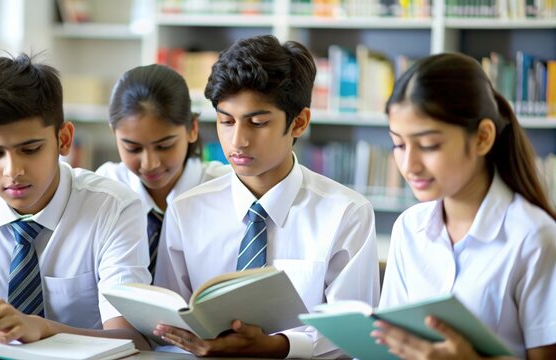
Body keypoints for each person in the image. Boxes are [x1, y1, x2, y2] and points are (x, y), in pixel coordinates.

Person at [152, 34, 380, 358]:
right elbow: (171, 323)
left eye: (257, 123)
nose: (238, 141)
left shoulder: (346, 214)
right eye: (225, 121)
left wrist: (277, 346)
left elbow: (354, 336)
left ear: (299, 122)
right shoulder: (186, 210)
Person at [0, 54, 151, 349]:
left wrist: (44, 329)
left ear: (63, 139)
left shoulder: (113, 207)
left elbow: (132, 339)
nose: (13, 171)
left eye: (30, 149)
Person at [373, 53, 556, 359]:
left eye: (429, 145)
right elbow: (391, 344)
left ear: (483, 138)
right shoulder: (409, 227)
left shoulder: (535, 237)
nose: (409, 166)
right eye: (399, 144)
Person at [96, 64, 229, 279]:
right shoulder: (105, 188)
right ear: (115, 133)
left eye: (164, 146)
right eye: (133, 148)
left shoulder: (225, 189)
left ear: (192, 129)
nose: (150, 163)